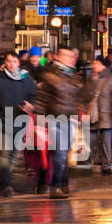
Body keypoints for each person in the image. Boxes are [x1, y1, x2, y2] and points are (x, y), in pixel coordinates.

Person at [32, 47, 84, 199]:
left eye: (72, 56)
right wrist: (39, 122)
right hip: (55, 118)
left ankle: (63, 183)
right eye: (67, 56)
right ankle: (55, 187)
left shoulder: (73, 75)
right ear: (58, 57)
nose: (71, 59)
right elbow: (41, 100)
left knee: (64, 152)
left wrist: (78, 115)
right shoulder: (50, 75)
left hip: (70, 119)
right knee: (60, 152)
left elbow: (77, 99)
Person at [0, 52, 36, 197]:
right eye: (9, 61)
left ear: (18, 63)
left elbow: (34, 94)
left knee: (11, 156)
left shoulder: (26, 79)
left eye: (14, 61)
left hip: (19, 123)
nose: (12, 64)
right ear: (5, 63)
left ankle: (4, 181)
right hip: (0, 121)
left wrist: (31, 106)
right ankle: (4, 186)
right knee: (3, 154)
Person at [88, 55, 112, 176]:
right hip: (92, 115)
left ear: (103, 65)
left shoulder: (111, 78)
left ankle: (106, 165)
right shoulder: (91, 77)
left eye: (96, 63)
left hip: (106, 116)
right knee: (91, 140)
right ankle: (92, 162)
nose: (93, 65)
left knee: (105, 142)